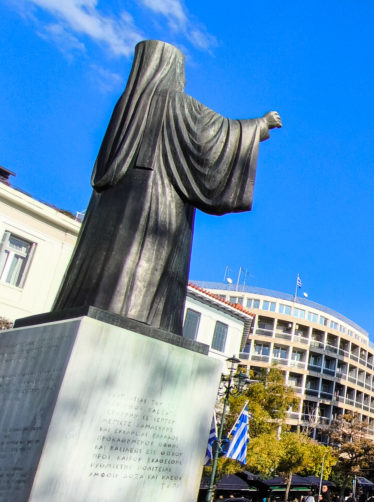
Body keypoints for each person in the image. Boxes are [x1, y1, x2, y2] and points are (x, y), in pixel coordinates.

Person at [52, 40, 281, 334]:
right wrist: (260, 125)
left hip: (108, 206)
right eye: (181, 71)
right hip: (156, 199)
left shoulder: (125, 106)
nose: (183, 79)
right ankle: (143, 318)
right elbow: (215, 137)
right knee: (146, 269)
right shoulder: (174, 102)